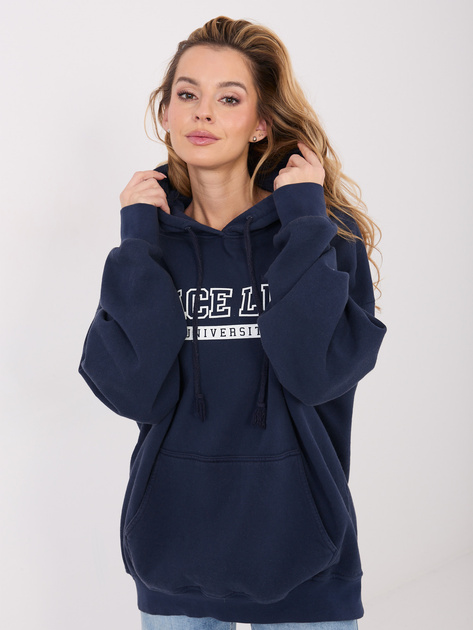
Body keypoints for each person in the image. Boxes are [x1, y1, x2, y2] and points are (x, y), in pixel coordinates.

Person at [78, 15, 387, 630]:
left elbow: (316, 375)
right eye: (187, 94)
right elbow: (133, 392)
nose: (203, 113)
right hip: (173, 558)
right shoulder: (149, 245)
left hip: (307, 559)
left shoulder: (321, 235)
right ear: (165, 112)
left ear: (261, 123)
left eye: (229, 98)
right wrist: (137, 242)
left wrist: (304, 221)